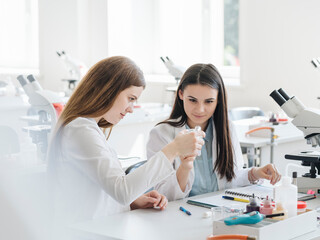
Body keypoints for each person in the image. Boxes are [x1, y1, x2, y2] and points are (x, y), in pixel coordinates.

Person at [47, 56, 205, 227]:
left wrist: (133, 201)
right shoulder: (80, 130)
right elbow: (122, 190)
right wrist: (173, 149)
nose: (131, 109)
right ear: (108, 90)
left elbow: (103, 189)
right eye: (130, 98)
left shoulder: (89, 128)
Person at [146, 63, 281, 201]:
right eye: (192, 100)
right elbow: (164, 195)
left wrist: (256, 173)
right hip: (180, 214)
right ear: (180, 94)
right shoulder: (160, 134)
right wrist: (185, 167)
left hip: (217, 209)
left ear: (218, 100)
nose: (200, 109)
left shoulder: (226, 128)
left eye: (209, 101)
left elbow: (231, 178)